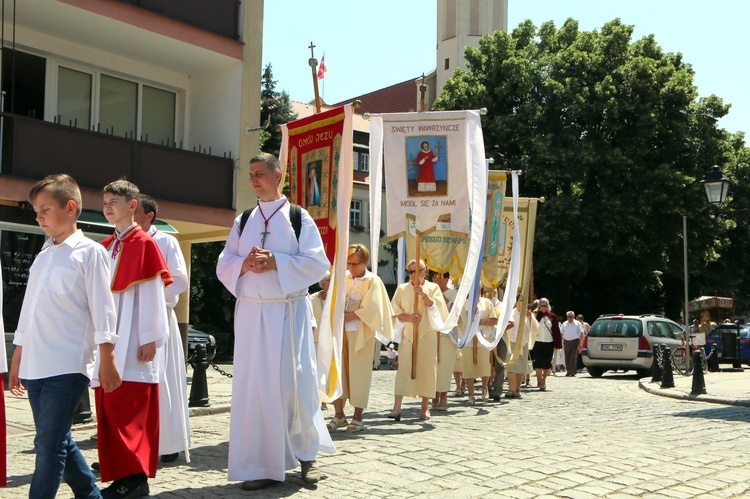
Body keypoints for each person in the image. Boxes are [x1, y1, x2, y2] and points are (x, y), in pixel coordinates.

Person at [216, 153, 333, 491]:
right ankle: (262, 465)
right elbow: (225, 262)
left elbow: (317, 264)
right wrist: (244, 266)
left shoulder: (298, 217)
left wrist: (277, 262)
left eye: (260, 173)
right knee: (254, 389)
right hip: (252, 314)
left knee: (295, 384)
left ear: (277, 175)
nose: (254, 179)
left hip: (287, 312)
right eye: (251, 174)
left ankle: (307, 457)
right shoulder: (244, 219)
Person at [9, 174, 121, 498]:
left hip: (67, 364)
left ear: (70, 208)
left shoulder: (90, 253)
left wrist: (107, 358)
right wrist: (18, 355)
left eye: (45, 209)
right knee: (57, 438)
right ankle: (90, 494)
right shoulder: (43, 256)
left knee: (48, 444)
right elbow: (28, 311)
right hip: (35, 365)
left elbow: (104, 308)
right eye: (36, 211)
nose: (38, 216)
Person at [97, 179, 171, 497]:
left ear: (132, 206)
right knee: (110, 407)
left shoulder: (145, 244)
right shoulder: (104, 246)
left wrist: (150, 337)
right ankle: (120, 475)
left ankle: (135, 479)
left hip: (133, 340)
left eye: (114, 200)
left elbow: (153, 293)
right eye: (104, 201)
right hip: (110, 338)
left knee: (130, 409)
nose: (108, 206)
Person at [135, 194, 191, 463]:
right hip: (129, 322)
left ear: (149, 216)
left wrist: (149, 294)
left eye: (136, 212)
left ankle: (165, 443)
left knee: (162, 380)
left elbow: (179, 281)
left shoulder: (166, 241)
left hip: (157, 318)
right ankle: (132, 444)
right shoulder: (120, 243)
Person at [327, 244, 393, 433]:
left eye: (355, 263)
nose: (351, 267)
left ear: (364, 262)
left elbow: (373, 307)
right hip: (339, 332)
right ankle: (339, 414)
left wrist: (350, 315)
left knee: (359, 374)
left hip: (360, 333)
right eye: (348, 263)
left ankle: (358, 416)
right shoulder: (343, 278)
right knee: (338, 372)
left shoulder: (373, 281)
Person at [388, 260, 448, 421]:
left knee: (427, 369)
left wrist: (423, 294)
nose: (413, 275)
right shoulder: (402, 289)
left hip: (427, 333)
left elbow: (437, 310)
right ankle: (397, 407)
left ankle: (425, 407)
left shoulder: (433, 288)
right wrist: (407, 317)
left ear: (425, 271)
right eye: (410, 272)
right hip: (409, 333)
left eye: (417, 271)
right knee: (404, 369)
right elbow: (393, 311)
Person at [461, 292, 498, 405]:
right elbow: (458, 320)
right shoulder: (463, 303)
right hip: (468, 340)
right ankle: (471, 395)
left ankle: (484, 389)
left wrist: (480, 321)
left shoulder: (486, 302)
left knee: (484, 365)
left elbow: (494, 320)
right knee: (468, 367)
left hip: (482, 338)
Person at [431, 271, 458, 410]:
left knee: (445, 367)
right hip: (432, 334)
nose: (435, 279)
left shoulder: (454, 295)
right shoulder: (430, 292)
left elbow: (457, 313)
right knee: (433, 366)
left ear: (446, 279)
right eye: (434, 277)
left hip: (447, 336)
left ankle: (444, 397)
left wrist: (444, 300)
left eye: (438, 277)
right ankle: (434, 395)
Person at [505, 298, 538, 398]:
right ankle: (511, 388)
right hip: (512, 341)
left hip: (523, 342)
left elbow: (535, 328)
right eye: (520, 301)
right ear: (516, 302)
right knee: (510, 366)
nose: (521, 304)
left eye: (524, 302)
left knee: (521, 367)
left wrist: (530, 318)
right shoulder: (510, 313)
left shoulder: (529, 314)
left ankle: (518, 389)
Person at [532, 298, 562, 391]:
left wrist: (557, 344)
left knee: (546, 363)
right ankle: (539, 380)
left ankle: (543, 380)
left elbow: (556, 331)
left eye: (545, 306)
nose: (543, 307)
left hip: (549, 343)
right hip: (537, 342)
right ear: (539, 306)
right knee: (538, 363)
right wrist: (534, 314)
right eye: (542, 306)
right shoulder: (536, 315)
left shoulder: (552, 316)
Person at [560, 311, 584, 377]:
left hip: (575, 341)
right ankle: (568, 371)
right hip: (566, 341)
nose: (569, 318)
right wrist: (563, 340)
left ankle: (573, 372)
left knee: (573, 357)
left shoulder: (577, 323)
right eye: (568, 317)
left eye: (571, 317)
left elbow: (581, 333)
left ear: (573, 317)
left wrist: (580, 342)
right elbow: (561, 333)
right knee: (567, 357)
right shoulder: (564, 324)